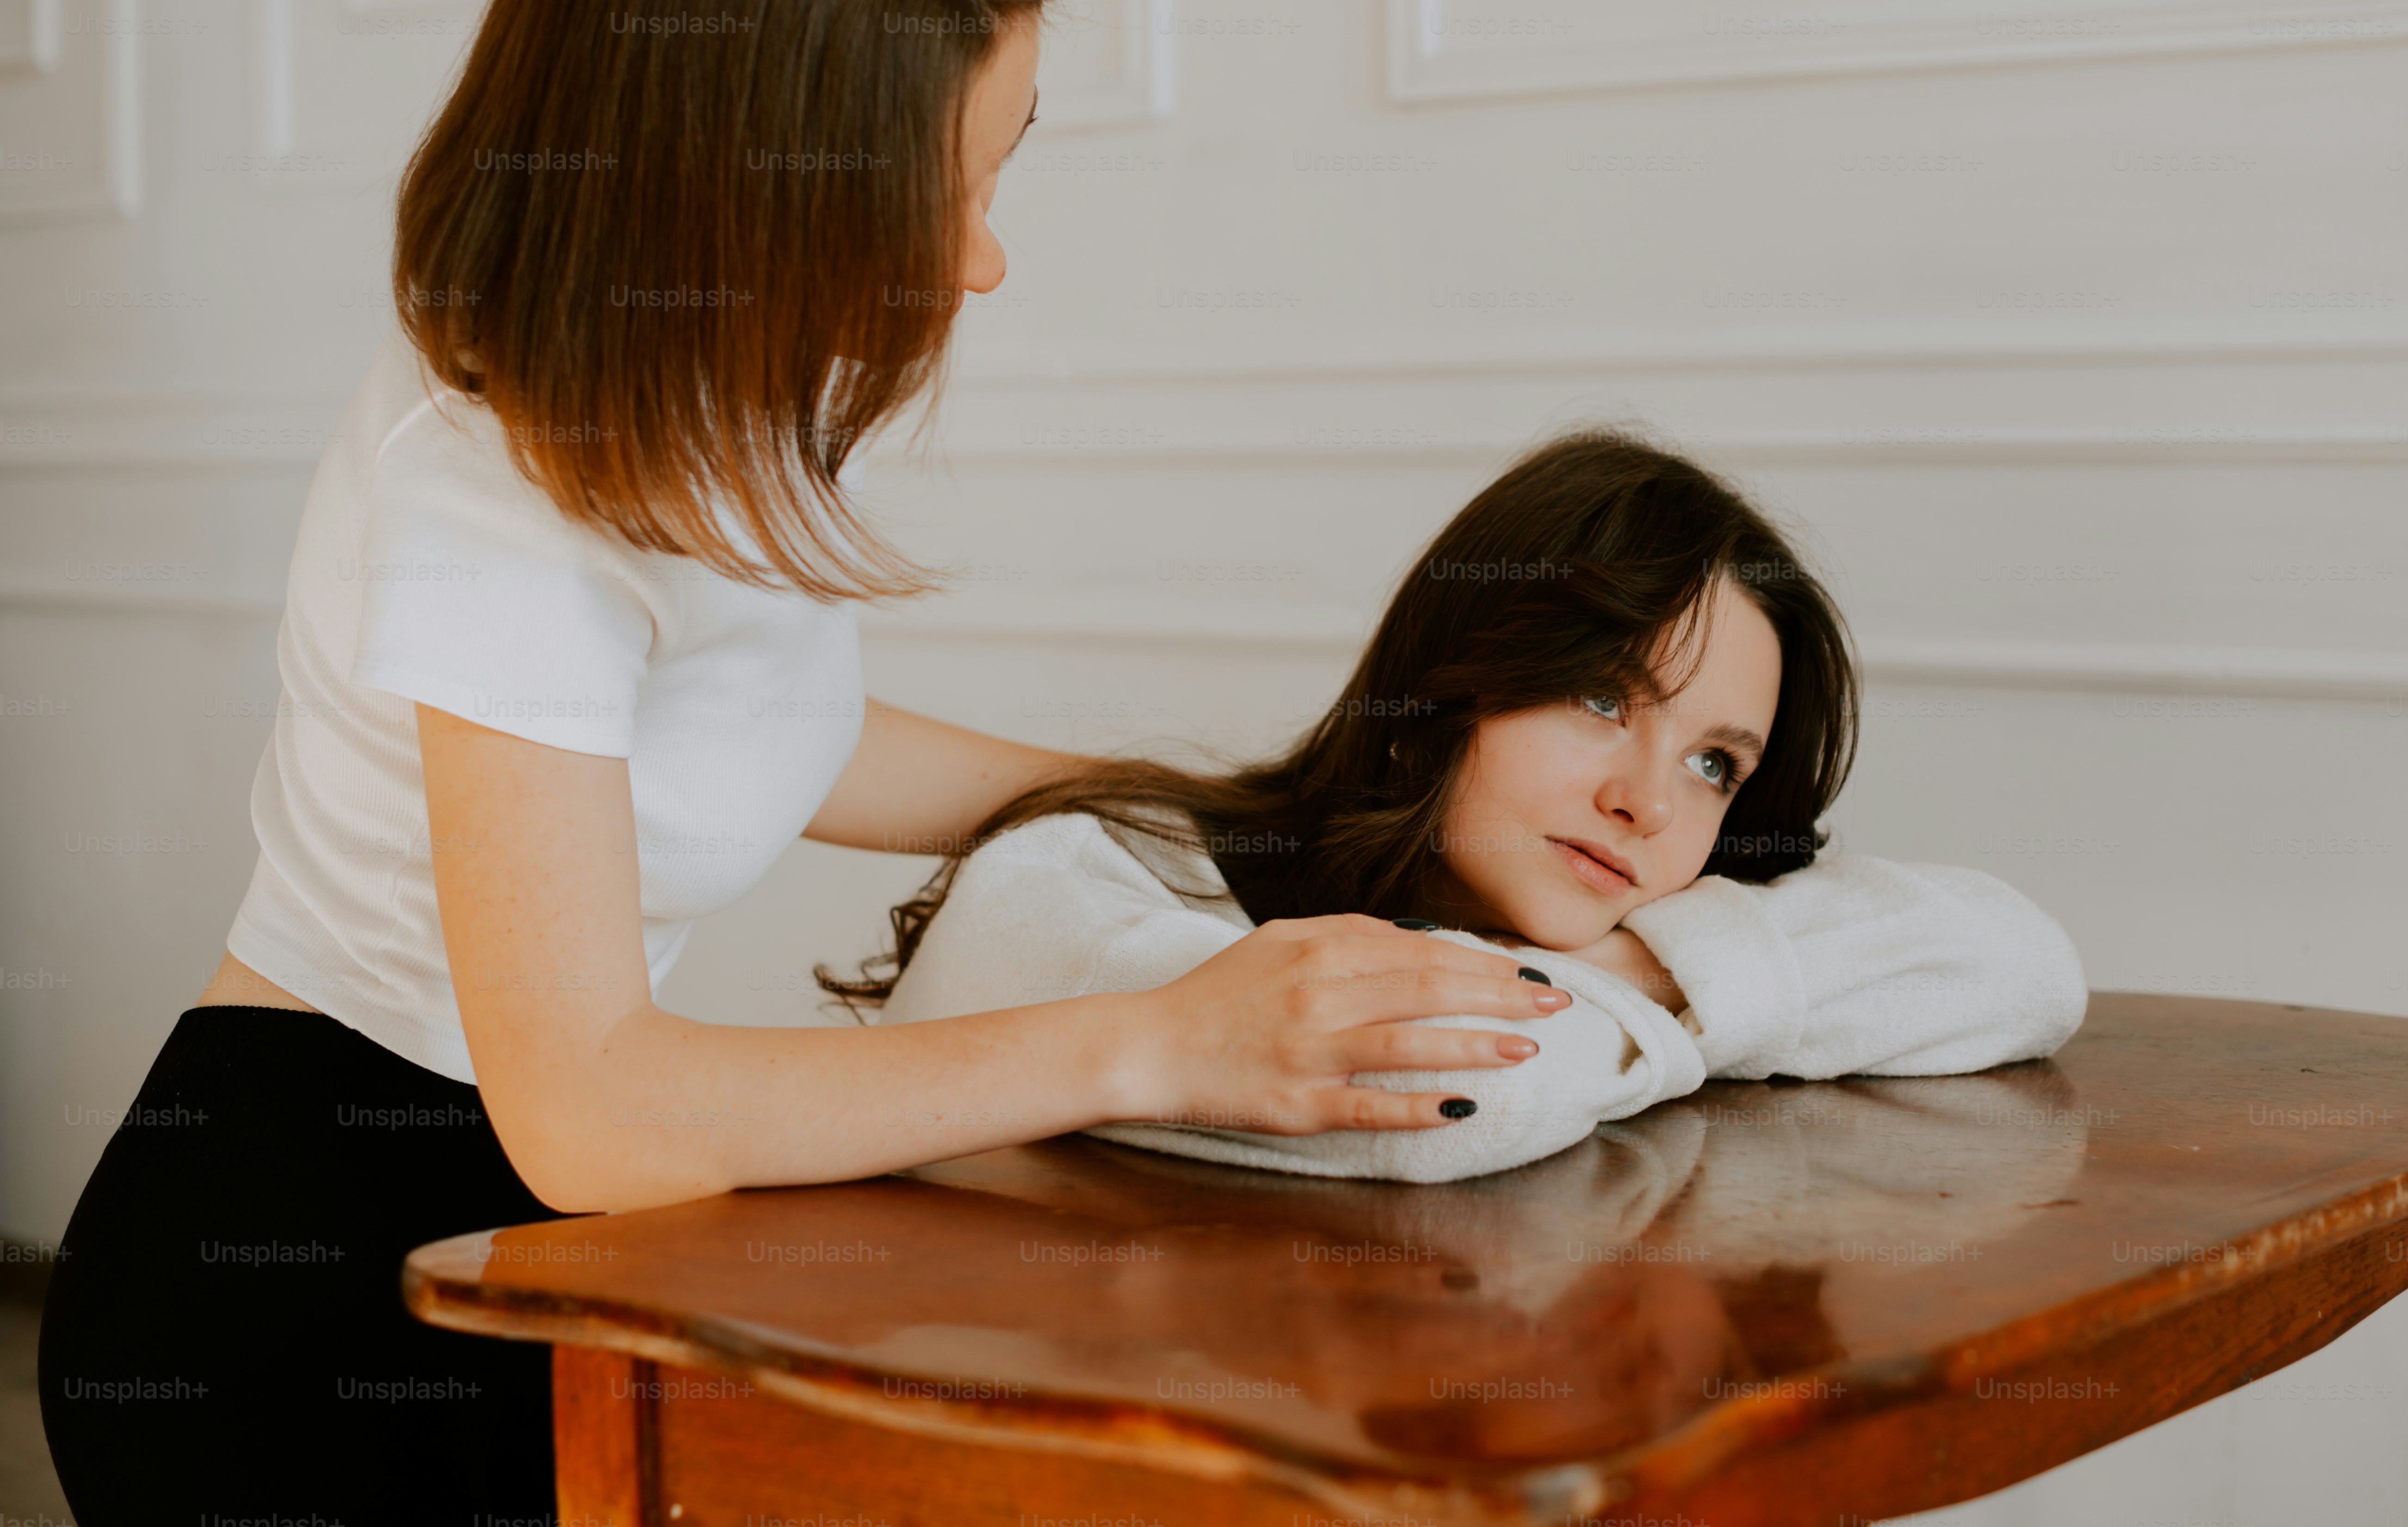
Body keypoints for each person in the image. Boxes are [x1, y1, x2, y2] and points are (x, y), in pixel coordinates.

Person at [37, 0, 1558, 1522]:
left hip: (513, 1213)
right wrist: (1166, 1039)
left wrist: (1223, 810)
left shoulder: (685, 374)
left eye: (1007, 166)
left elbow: (771, 735)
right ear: (742, 172)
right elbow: (589, 1104)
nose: (984, 259)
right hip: (292, 1273)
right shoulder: (488, 489)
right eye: (942, 193)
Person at [848, 431, 2090, 1180]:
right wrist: (1679, 985)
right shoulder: (1090, 875)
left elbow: (2024, 963)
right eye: (1602, 699)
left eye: (1717, 764)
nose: (1647, 803)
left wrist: (1645, 963)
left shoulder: (1618, 939)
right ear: (1457, 679)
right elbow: (1465, 1101)